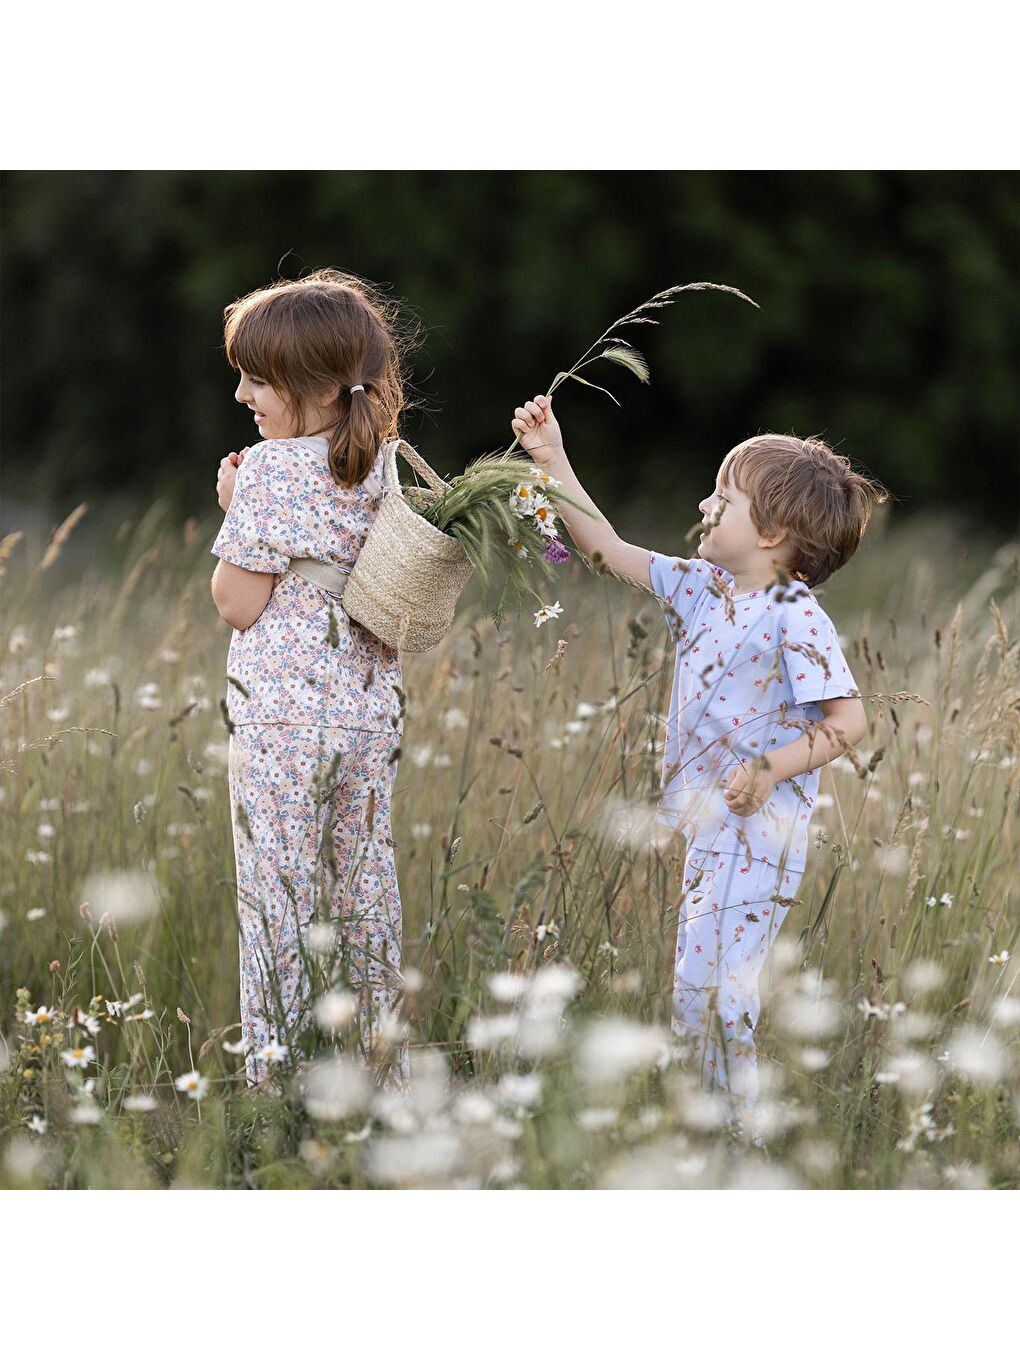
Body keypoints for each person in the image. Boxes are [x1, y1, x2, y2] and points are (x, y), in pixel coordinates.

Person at [510, 393, 887, 1133]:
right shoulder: (704, 588)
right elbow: (606, 549)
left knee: (716, 991)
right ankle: (712, 1125)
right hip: (708, 826)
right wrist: (552, 458)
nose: (702, 502)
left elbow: (850, 721)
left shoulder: (794, 613)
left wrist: (774, 767)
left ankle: (731, 1136)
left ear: (773, 532)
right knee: (695, 984)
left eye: (722, 495)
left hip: (760, 831)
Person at [210, 268, 409, 1089]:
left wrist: (233, 508)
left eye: (258, 379)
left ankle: (272, 1082)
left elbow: (238, 603)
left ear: (317, 387)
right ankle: (387, 1072)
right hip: (370, 713)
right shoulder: (387, 467)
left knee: (278, 902)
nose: (244, 396)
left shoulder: (266, 470)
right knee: (366, 891)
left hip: (282, 722)